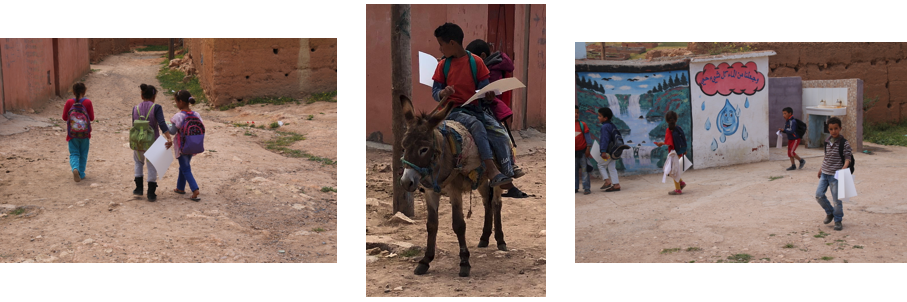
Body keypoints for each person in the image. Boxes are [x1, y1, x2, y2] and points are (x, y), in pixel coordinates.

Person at [432, 22, 513, 188]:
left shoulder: (476, 62)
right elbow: (435, 92)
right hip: (452, 111)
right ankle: (491, 169)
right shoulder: (442, 65)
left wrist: (488, 96)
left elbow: (484, 88)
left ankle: (508, 170)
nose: (440, 49)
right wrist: (442, 93)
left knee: (499, 132)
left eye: (441, 45)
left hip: (475, 109)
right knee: (476, 126)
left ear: (452, 43)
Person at [466, 38, 527, 197]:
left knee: (499, 136)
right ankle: (509, 183)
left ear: (483, 55)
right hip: (477, 106)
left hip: (487, 108)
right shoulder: (487, 65)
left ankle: (509, 168)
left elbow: (489, 91)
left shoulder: (491, 69)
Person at [132, 84, 173, 202]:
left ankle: (138, 188)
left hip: (138, 141)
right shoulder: (156, 107)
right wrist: (168, 138)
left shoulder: (135, 108)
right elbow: (161, 123)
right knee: (151, 166)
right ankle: (151, 193)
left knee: (138, 163)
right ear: (154, 96)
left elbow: (133, 125)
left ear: (141, 95)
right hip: (152, 142)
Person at [816, 117, 852, 231]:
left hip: (836, 175)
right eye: (831, 129)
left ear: (840, 128)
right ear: (828, 129)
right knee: (819, 195)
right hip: (825, 173)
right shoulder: (827, 142)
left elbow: (848, 158)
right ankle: (830, 212)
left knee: (837, 200)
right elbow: (826, 157)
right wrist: (821, 168)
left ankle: (838, 220)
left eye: (836, 128)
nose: (834, 131)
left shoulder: (844, 143)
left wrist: (844, 168)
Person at [165, 90, 202, 201]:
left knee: (185, 168)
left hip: (182, 146)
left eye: (176, 102)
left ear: (181, 102)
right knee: (184, 166)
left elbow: (172, 131)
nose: (176, 104)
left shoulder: (179, 116)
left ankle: (195, 189)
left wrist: (165, 125)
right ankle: (180, 188)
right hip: (193, 144)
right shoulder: (196, 114)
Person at [62, 82, 94, 182]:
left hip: (72, 134)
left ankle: (75, 168)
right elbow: (92, 118)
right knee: (83, 153)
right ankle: (81, 173)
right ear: (84, 91)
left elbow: (64, 117)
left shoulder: (69, 102)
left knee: (74, 153)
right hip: (85, 134)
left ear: (73, 91)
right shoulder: (88, 102)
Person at [654, 111, 687, 195]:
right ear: (676, 119)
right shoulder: (679, 128)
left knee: (672, 171)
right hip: (680, 152)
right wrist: (684, 150)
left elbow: (669, 143)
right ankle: (681, 183)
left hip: (673, 153)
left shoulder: (669, 130)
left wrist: (660, 143)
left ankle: (678, 190)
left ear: (667, 120)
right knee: (674, 170)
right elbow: (684, 139)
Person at [597, 107, 621, 192]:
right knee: (612, 167)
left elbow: (604, 139)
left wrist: (603, 151)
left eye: (600, 116)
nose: (598, 117)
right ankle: (616, 184)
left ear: (605, 118)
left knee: (601, 165)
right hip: (614, 151)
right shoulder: (612, 125)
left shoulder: (604, 127)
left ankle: (607, 181)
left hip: (607, 152)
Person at [576, 106, 592, 195]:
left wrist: (588, 149)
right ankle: (575, 187)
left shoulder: (583, 125)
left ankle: (586, 188)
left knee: (585, 171)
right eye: (574, 113)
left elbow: (588, 138)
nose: (576, 114)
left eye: (577, 112)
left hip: (582, 152)